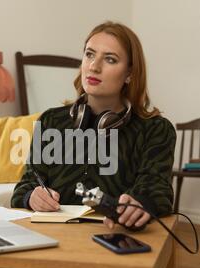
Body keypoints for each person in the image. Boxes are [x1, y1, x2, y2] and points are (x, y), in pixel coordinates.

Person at [11, 21, 176, 230]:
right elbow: (24, 186)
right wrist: (31, 197)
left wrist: (142, 202)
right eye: (89, 54)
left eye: (110, 59)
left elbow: (158, 191)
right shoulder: (50, 121)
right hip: (54, 237)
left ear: (130, 74)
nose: (94, 66)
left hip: (114, 237)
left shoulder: (156, 130)